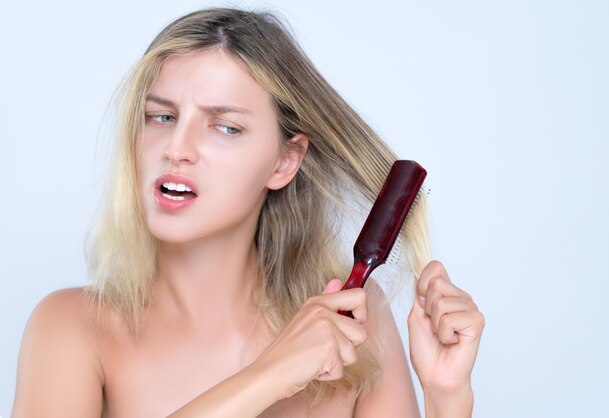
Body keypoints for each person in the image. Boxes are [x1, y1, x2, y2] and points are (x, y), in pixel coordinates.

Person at [11, 7, 484, 418]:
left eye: (226, 127)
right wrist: (270, 374)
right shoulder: (73, 328)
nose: (176, 148)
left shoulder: (357, 316)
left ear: (284, 161)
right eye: (162, 116)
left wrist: (446, 396)